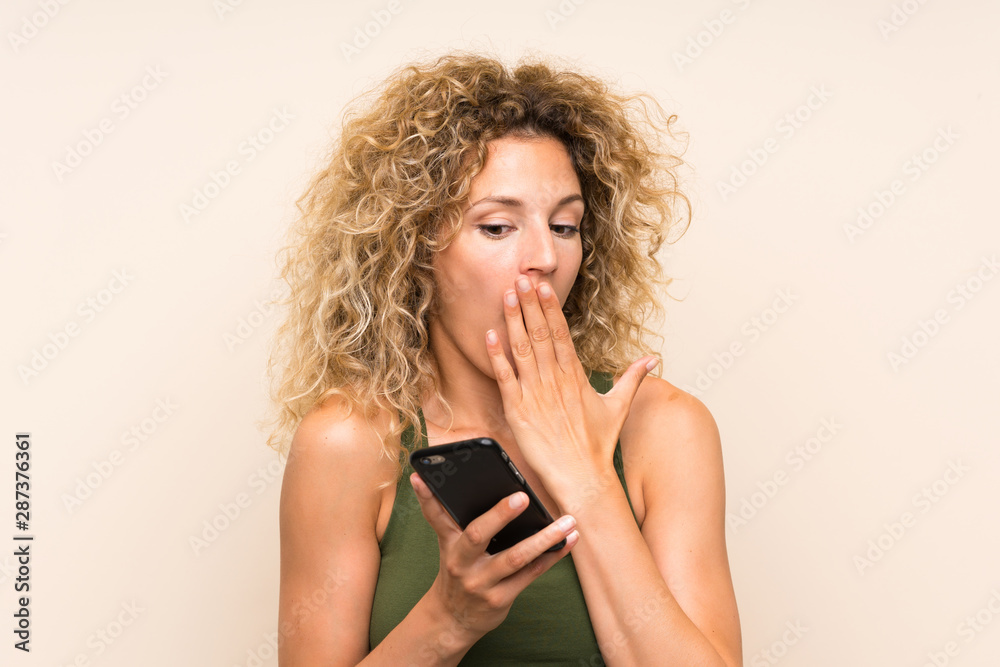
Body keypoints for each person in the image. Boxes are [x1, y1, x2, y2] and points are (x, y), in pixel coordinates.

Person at [263, 49, 742, 666]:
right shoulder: (348, 444)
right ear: (413, 250)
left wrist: (586, 476)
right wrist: (448, 619)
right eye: (496, 227)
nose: (544, 255)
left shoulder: (666, 429)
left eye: (565, 226)